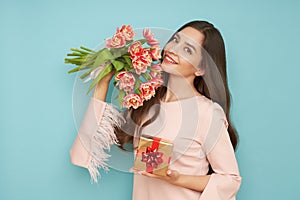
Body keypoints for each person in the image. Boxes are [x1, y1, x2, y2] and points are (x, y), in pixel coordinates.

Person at [69, 20, 242, 200]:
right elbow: (91, 143)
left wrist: (177, 178)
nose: (173, 49)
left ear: (201, 68)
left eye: (187, 49)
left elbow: (230, 180)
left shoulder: (207, 112)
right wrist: (102, 84)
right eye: (175, 40)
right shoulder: (146, 101)